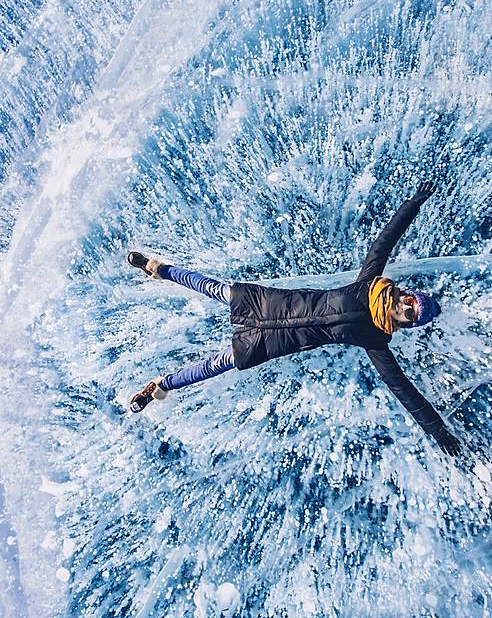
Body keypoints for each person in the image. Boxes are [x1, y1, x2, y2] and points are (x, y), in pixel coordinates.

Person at [128, 182, 461, 456]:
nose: (404, 309)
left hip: (274, 342)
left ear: (406, 323)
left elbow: (405, 392)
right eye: (410, 303)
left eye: (410, 316)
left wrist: (438, 432)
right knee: (214, 289)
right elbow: (385, 242)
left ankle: (160, 386)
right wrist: (413, 203)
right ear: (406, 294)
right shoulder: (369, 283)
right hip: (271, 305)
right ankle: (158, 268)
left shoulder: (376, 340)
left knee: (219, 363)